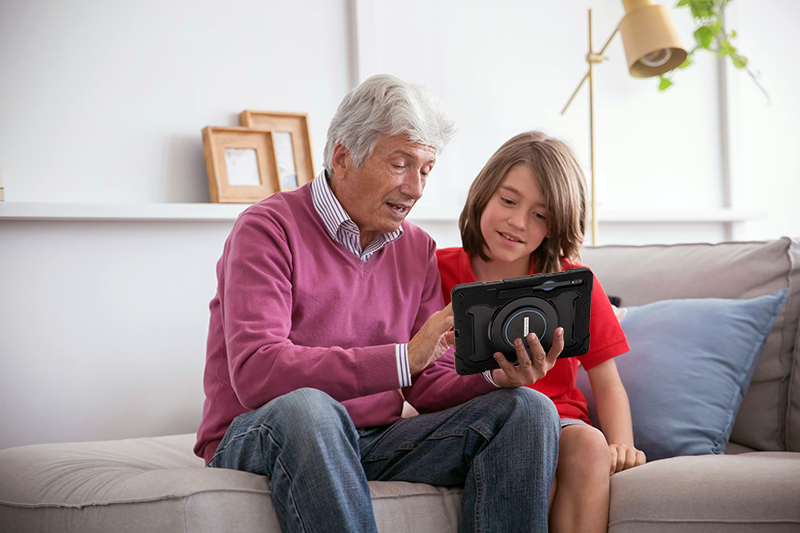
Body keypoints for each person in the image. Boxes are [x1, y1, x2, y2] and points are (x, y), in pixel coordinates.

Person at [195, 75, 563, 533]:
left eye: (426, 169)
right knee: (311, 408)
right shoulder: (267, 228)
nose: (416, 188)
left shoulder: (417, 248)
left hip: (370, 440)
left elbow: (426, 384)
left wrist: (494, 377)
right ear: (344, 157)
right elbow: (257, 373)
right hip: (261, 432)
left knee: (528, 409)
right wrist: (401, 358)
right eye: (401, 164)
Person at [436, 131, 646, 533]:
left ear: (556, 224)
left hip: (560, 422)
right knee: (530, 455)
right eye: (509, 201)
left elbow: (607, 380)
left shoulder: (573, 284)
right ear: (483, 195)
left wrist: (621, 444)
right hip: (470, 422)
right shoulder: (432, 270)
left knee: (587, 444)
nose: (518, 222)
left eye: (540, 214)